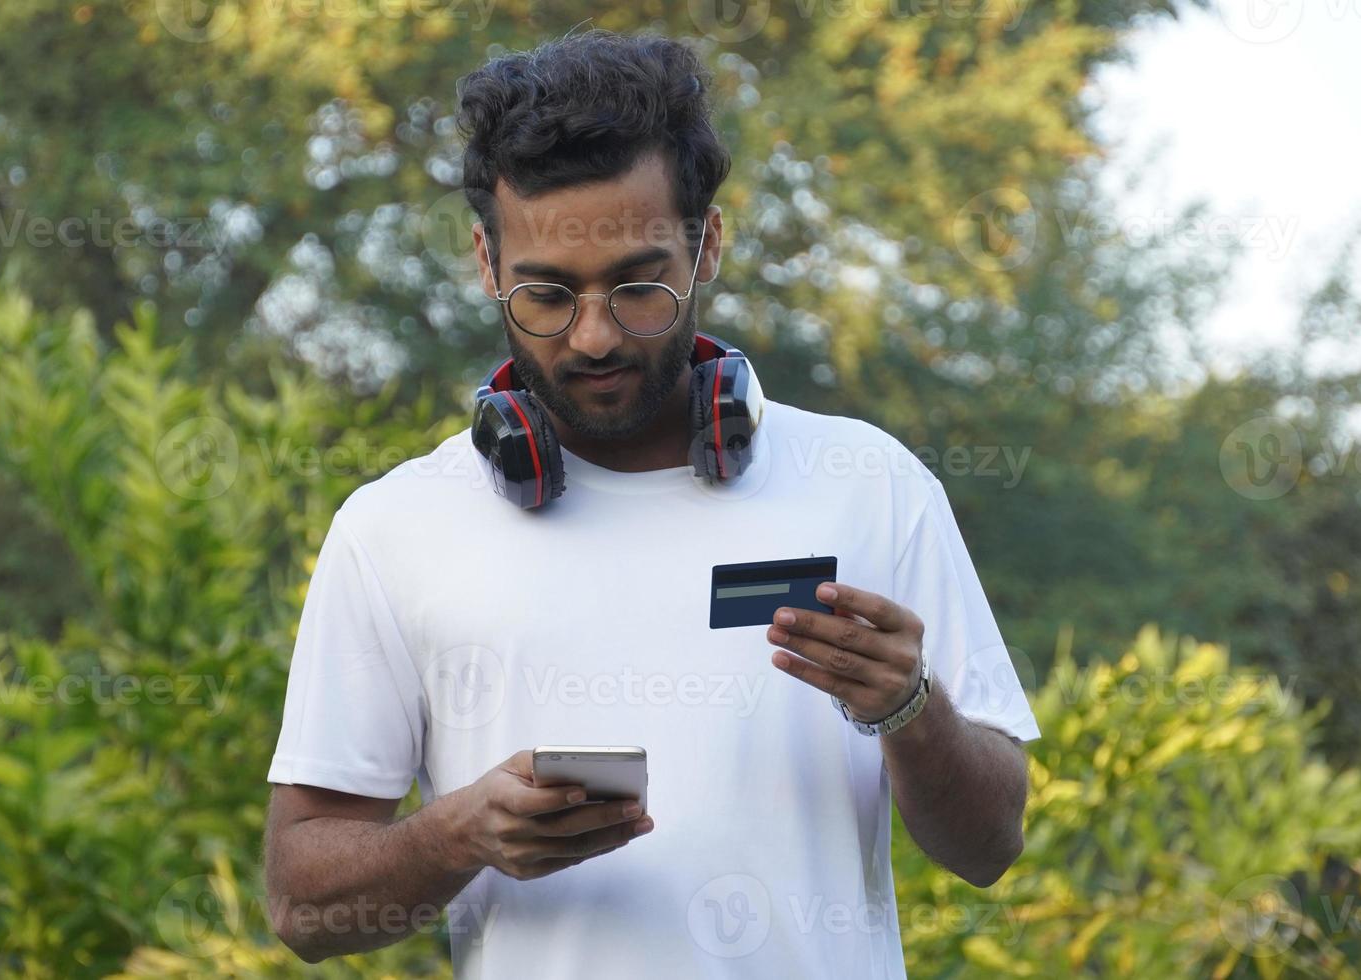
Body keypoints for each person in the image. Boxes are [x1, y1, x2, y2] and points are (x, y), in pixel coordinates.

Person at [261, 28, 1039, 978]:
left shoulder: (868, 484)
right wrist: (456, 834)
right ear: (485, 262)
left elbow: (991, 843)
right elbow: (301, 903)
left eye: (637, 287)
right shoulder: (393, 529)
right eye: (545, 294)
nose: (592, 337)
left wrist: (909, 708)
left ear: (705, 243)